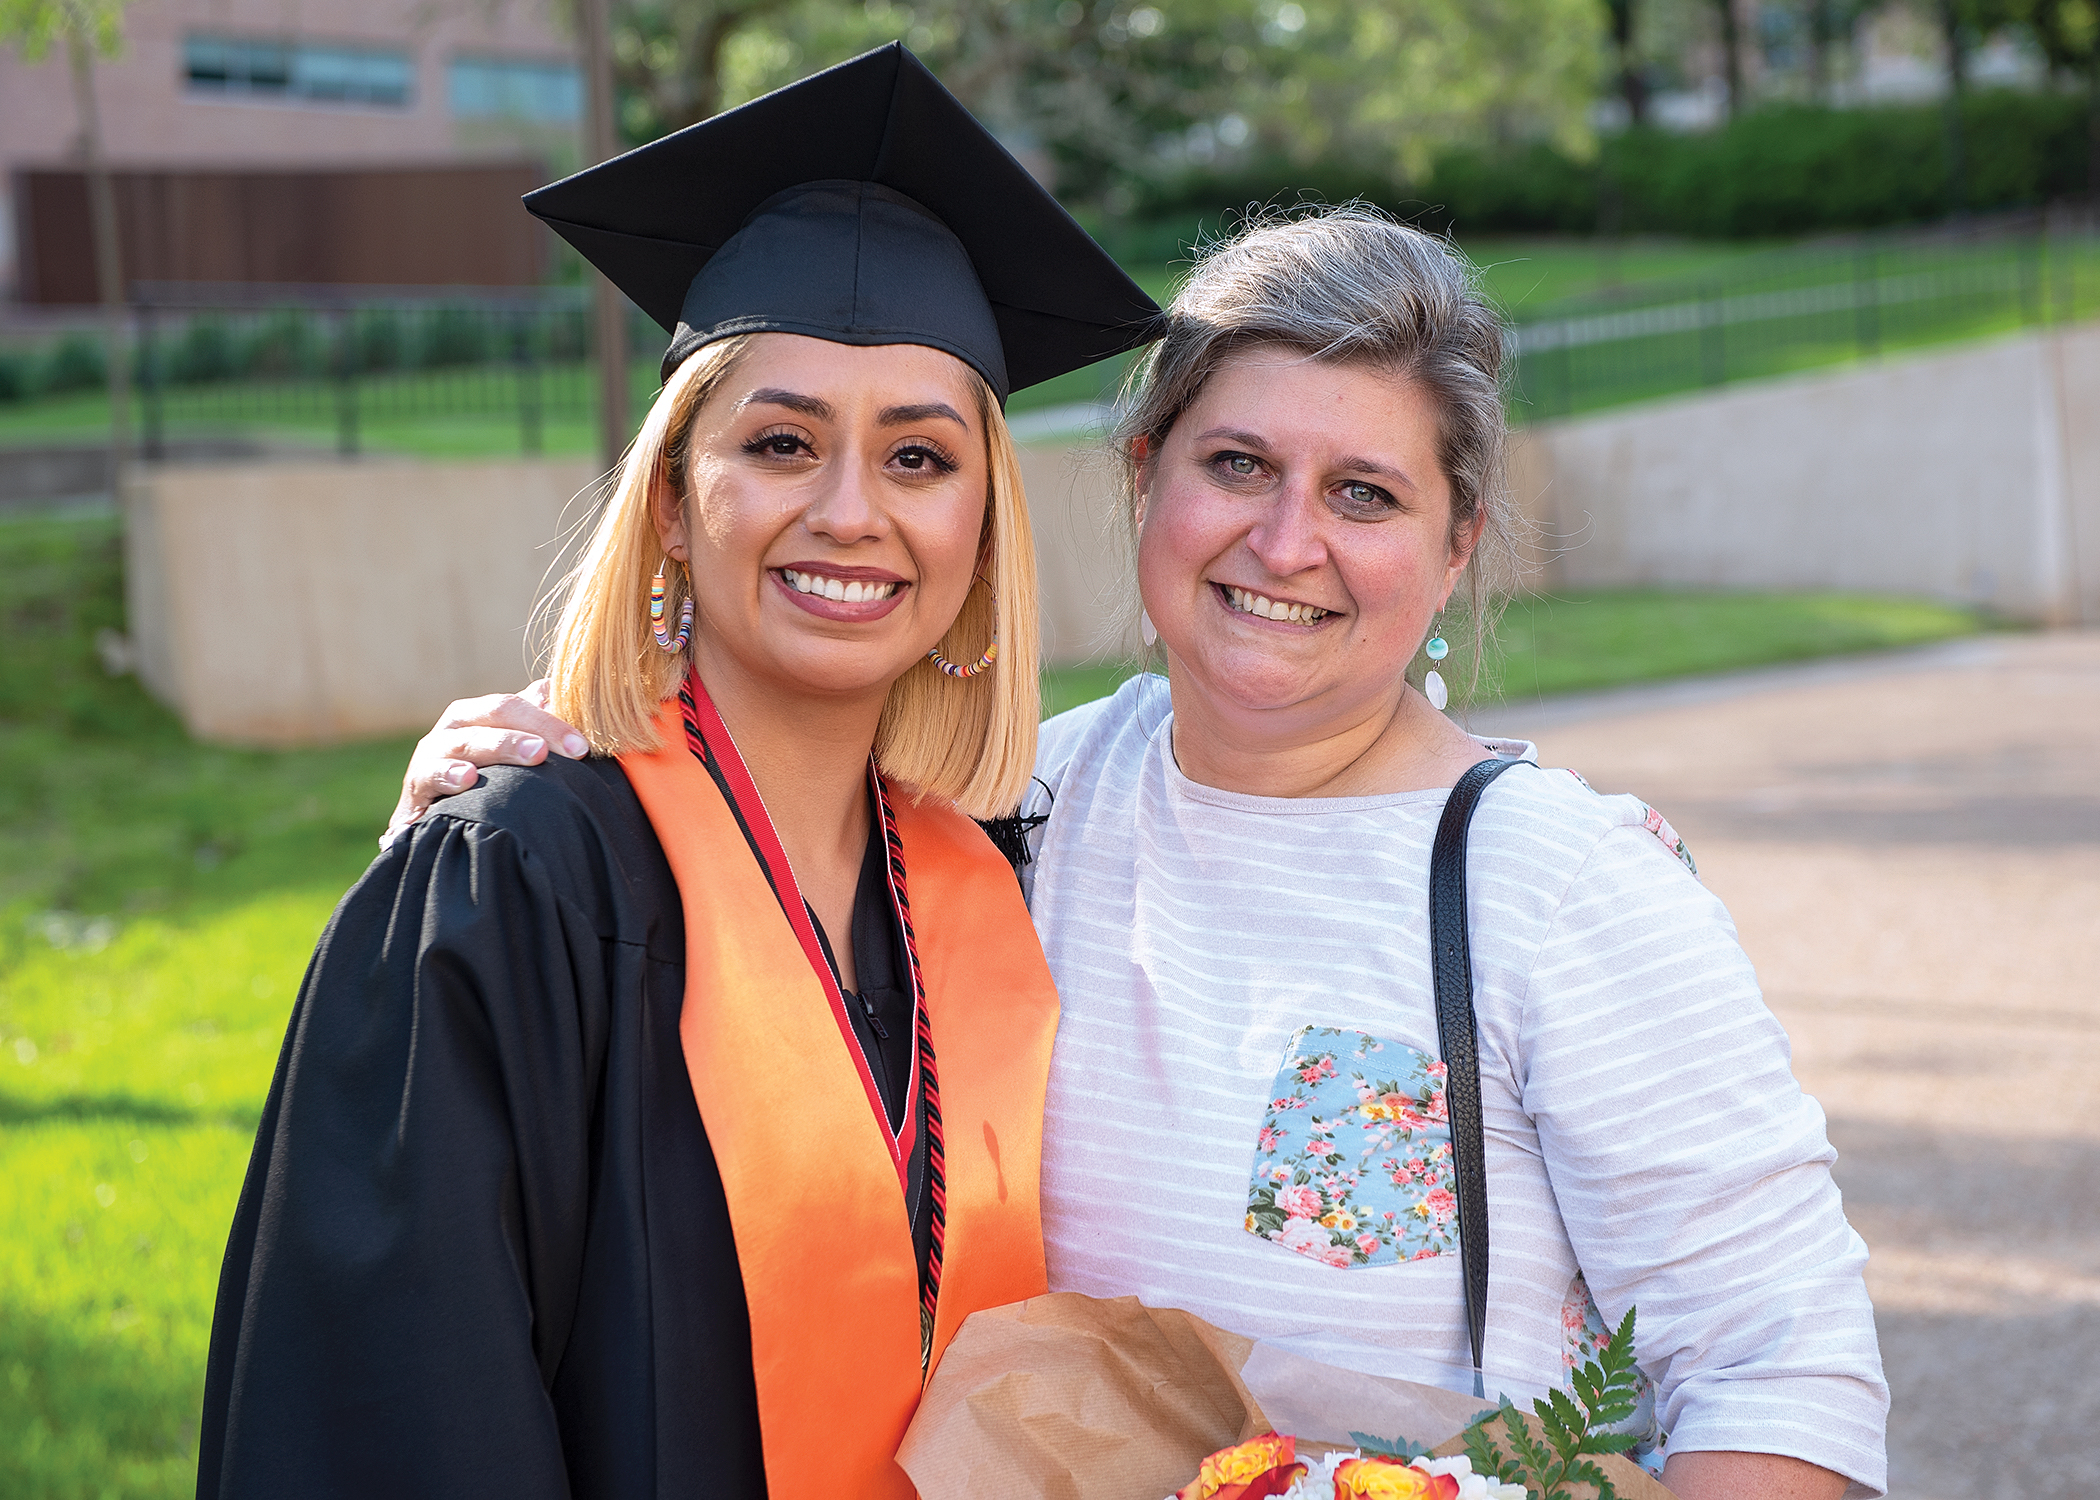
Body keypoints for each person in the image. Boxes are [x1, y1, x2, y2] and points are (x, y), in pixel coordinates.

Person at [397, 209, 1888, 1499]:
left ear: (1454, 550)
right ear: (1143, 479)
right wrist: (503, 791)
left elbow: (1777, 1367)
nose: (1287, 541)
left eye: (1365, 494)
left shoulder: (1560, 891)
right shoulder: (1002, 813)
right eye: (1237, 463)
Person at [196, 45, 1161, 1500]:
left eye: (919, 459)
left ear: (981, 530)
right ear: (669, 495)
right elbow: (392, 1408)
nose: (852, 513)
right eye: (781, 442)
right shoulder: (521, 881)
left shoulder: (984, 880)